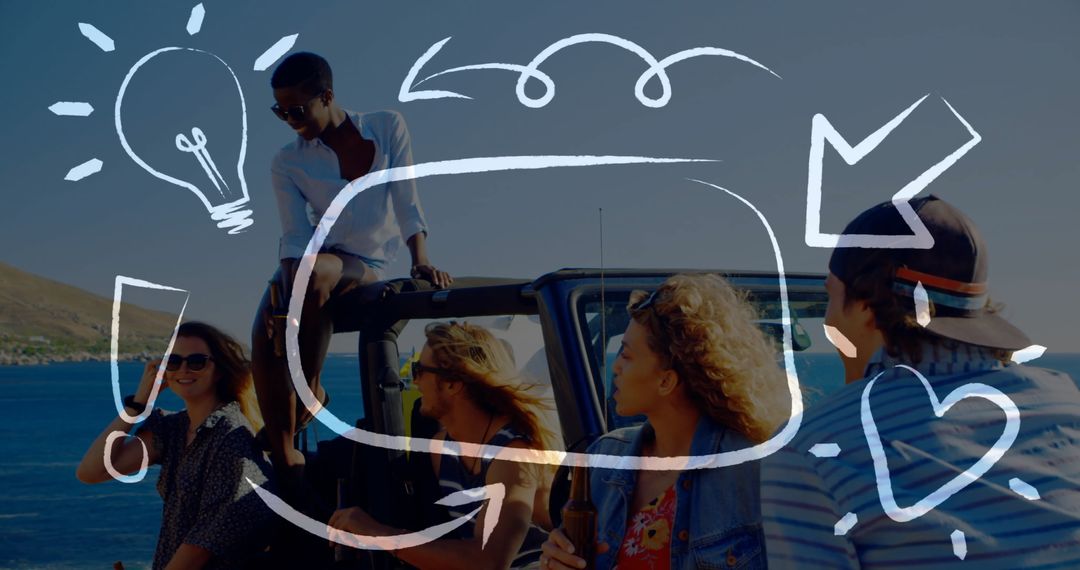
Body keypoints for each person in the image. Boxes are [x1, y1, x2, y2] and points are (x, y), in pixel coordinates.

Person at [761, 195, 1080, 568]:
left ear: (865, 307)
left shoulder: (811, 449)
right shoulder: (1066, 401)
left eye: (831, 295)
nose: (828, 321)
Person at [251, 51, 453, 493]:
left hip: (367, 264)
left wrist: (421, 258)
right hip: (314, 258)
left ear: (327, 96)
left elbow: (406, 198)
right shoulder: (287, 161)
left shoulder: (386, 126)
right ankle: (285, 449)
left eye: (297, 110)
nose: (288, 119)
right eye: (279, 111)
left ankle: (311, 391)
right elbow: (295, 233)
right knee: (264, 324)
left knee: (314, 276)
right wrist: (284, 290)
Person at [541, 274, 789, 569]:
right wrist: (555, 559)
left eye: (627, 355)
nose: (616, 366)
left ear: (667, 381)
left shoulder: (752, 469)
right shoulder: (605, 457)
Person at [328, 321, 557, 569]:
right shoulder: (442, 450)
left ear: (452, 383)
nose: (414, 382)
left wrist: (375, 533)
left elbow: (488, 561)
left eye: (419, 370)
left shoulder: (513, 453)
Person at [76, 322, 276, 570]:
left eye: (196, 361)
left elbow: (204, 543)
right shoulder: (174, 430)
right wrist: (137, 405)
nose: (183, 369)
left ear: (219, 370)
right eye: (173, 361)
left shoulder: (232, 436)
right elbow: (92, 471)